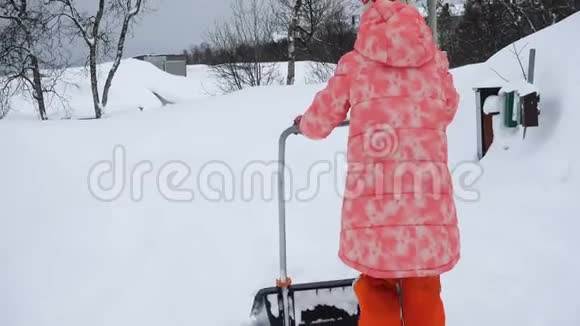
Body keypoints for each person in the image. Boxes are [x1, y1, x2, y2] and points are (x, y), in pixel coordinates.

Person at [293, 0, 461, 325]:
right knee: (424, 285)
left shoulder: (356, 65)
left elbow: (319, 121)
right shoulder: (436, 65)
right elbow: (448, 108)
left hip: (375, 206)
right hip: (427, 204)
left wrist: (303, 123)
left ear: (366, 21)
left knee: (375, 284)